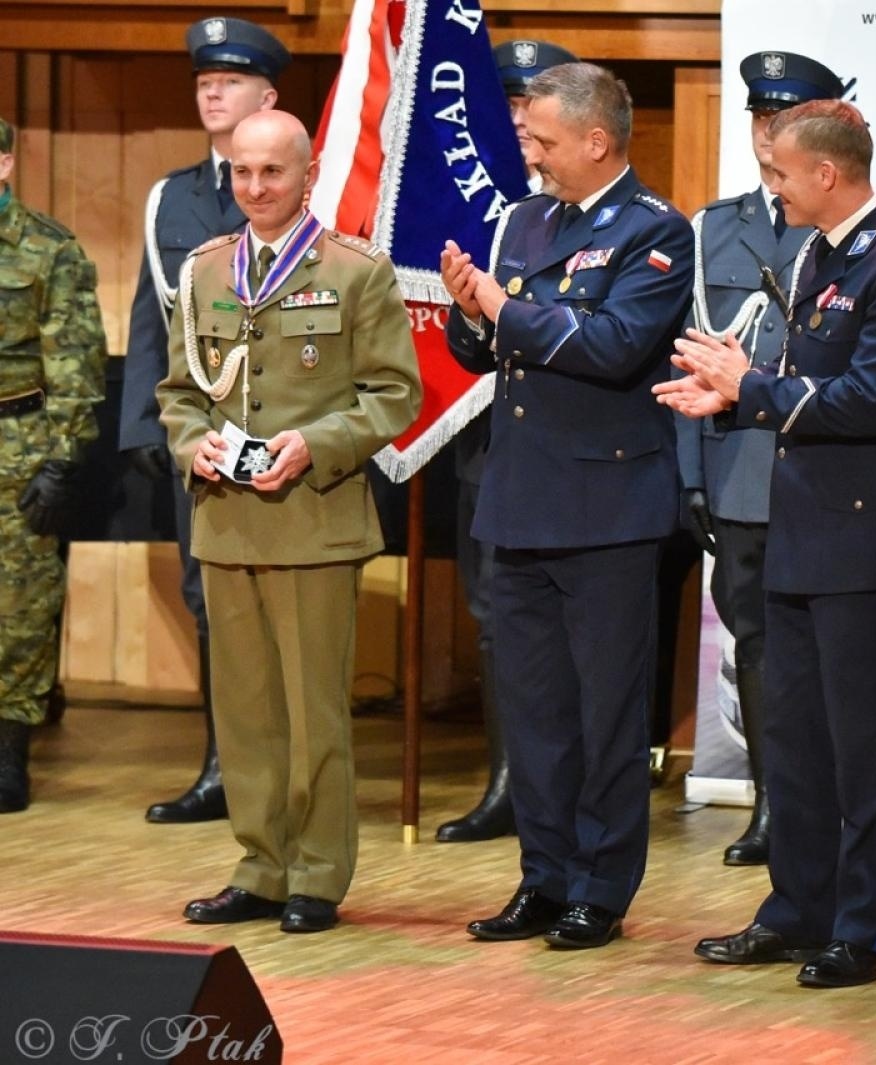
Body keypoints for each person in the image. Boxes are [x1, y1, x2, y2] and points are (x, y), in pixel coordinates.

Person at [661, 99, 876, 988]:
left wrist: (756, 391)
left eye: (780, 172)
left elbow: (870, 399)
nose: (769, 187)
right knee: (798, 742)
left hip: (864, 540)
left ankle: (863, 929)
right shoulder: (818, 253)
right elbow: (792, 382)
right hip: (799, 530)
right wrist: (733, 394)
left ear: (826, 173)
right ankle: (796, 909)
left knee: (866, 751)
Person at [442, 62, 692, 950]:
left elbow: (618, 345)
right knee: (534, 711)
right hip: (517, 497)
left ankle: (600, 886)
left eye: (544, 138)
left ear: (596, 140)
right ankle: (542, 879)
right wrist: (470, 311)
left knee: (606, 713)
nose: (531, 152)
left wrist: (500, 307)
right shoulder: (524, 218)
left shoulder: (656, 231)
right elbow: (488, 353)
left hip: (607, 505)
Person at [159, 109, 421, 933]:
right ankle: (259, 865)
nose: (255, 188)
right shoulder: (205, 271)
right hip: (227, 521)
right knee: (245, 713)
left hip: (314, 521)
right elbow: (177, 393)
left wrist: (318, 443)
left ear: (307, 176)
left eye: (272, 172)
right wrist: (193, 444)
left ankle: (316, 873)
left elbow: (394, 395)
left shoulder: (355, 271)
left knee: (314, 714)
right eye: (241, 172)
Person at [677, 50, 845, 868]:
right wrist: (690, 472)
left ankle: (831, 810)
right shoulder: (715, 227)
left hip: (820, 466)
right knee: (757, 649)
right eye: (760, 118)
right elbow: (689, 356)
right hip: (739, 467)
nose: (768, 131)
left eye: (787, 117)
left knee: (824, 655)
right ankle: (772, 806)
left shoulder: (847, 222)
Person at [120, 17, 289, 825]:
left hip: (288, 427)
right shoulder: (171, 198)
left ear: (268, 94)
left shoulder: (300, 184)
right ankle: (223, 765)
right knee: (206, 595)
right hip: (205, 434)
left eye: (228, 80)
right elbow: (150, 315)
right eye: (202, 81)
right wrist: (144, 427)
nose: (211, 90)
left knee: (287, 605)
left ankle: (286, 771)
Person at [435, 37, 578, 845]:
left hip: (575, 450)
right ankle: (507, 782)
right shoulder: (489, 205)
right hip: (490, 439)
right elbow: (472, 342)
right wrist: (466, 308)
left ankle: (560, 798)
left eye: (532, 104)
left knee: (572, 635)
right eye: (509, 104)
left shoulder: (594, 213)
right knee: (496, 616)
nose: (517, 118)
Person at [0, 114, 108, 813]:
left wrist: (63, 459)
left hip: (17, 442)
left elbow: (75, 361)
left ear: (4, 165)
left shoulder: (46, 248)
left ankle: (9, 750)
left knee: (20, 607)